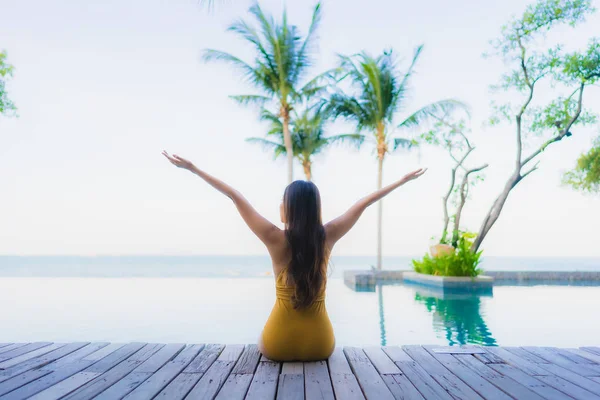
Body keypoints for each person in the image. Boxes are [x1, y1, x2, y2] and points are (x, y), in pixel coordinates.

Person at [162, 151, 426, 361]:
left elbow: (234, 195)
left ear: (289, 207)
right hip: (321, 345)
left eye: (282, 200)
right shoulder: (328, 236)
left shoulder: (273, 237)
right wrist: (402, 181)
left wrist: (193, 169)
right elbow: (363, 204)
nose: (279, 205)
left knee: (260, 340)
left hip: (278, 344)